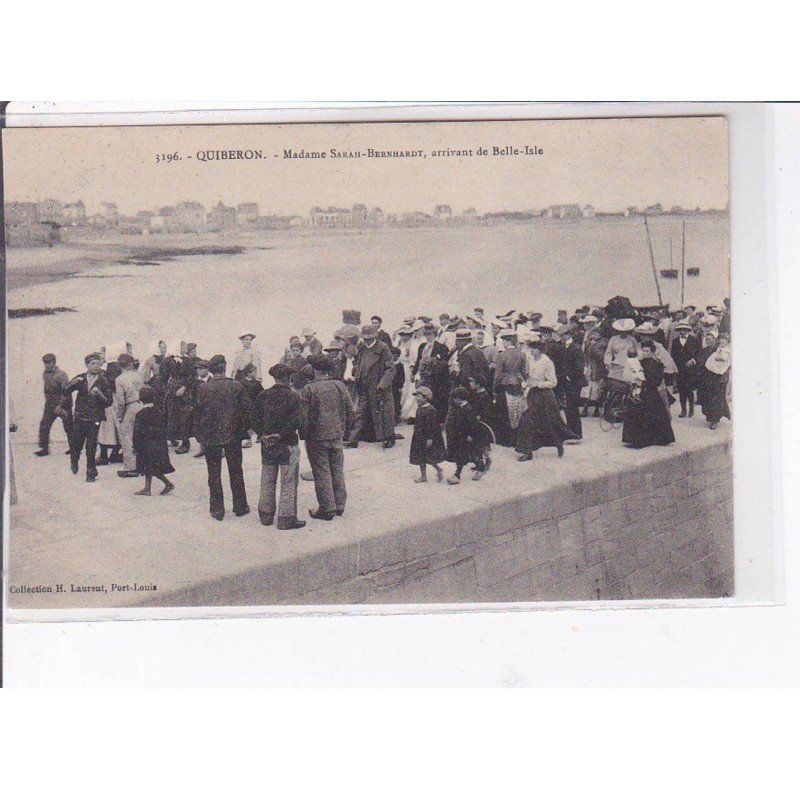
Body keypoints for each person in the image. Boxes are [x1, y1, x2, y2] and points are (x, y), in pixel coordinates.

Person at [194, 354, 252, 521]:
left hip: (211, 437)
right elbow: (246, 411)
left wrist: (200, 435)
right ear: (225, 367)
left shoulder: (203, 388)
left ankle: (217, 509)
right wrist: (244, 431)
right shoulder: (237, 386)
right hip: (233, 435)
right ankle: (240, 506)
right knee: (236, 471)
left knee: (213, 474)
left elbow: (197, 413)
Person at [299, 355, 355, 521]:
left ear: (315, 369)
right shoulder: (340, 385)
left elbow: (304, 417)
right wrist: (344, 431)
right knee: (337, 469)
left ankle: (327, 508)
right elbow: (351, 411)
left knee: (322, 471)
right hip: (336, 435)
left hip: (317, 437)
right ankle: (339, 505)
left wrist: (304, 435)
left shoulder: (308, 389)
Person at [255, 363, 305, 530]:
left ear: (274, 377)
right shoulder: (294, 397)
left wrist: (263, 434)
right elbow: (297, 421)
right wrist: (281, 435)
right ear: (288, 378)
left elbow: (254, 418)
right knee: (288, 481)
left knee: (267, 480)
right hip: (287, 444)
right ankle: (286, 519)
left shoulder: (263, 395)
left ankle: (265, 516)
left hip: (267, 445)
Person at [515, 335, 575, 461]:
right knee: (527, 421)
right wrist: (525, 385)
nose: (532, 351)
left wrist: (539, 384)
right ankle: (527, 452)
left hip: (545, 396)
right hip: (533, 395)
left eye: (535, 349)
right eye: (531, 348)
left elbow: (553, 382)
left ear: (541, 350)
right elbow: (530, 378)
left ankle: (559, 444)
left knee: (550, 423)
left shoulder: (547, 362)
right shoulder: (530, 360)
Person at [61, 353, 114, 482]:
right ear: (87, 365)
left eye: (97, 363)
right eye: (92, 364)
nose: (96, 366)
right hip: (79, 417)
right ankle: (74, 461)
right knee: (76, 446)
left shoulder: (103, 381)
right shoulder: (80, 378)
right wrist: (71, 383)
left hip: (94, 419)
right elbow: (65, 391)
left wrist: (100, 394)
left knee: (91, 447)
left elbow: (109, 402)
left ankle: (90, 472)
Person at [344, 324, 396, 449]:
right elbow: (359, 362)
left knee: (383, 413)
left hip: (378, 386)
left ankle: (388, 438)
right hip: (363, 386)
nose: (367, 339)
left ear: (375, 336)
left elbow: (390, 369)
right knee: (359, 413)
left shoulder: (383, 348)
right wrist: (356, 371)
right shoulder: (362, 348)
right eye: (365, 337)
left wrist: (382, 384)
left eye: (369, 337)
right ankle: (353, 440)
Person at [622, 341, 676, 448]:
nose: (644, 352)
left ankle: (649, 439)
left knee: (652, 414)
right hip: (639, 390)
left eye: (647, 351)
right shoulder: (638, 362)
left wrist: (643, 383)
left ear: (652, 352)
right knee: (635, 412)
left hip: (651, 392)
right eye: (643, 350)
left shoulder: (657, 364)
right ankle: (634, 439)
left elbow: (657, 381)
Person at [132, 385, 175, 496]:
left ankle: (151, 487)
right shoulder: (158, 411)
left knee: (148, 467)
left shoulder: (140, 414)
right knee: (155, 467)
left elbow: (137, 433)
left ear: (140, 399)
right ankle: (151, 487)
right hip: (159, 444)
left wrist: (135, 446)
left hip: (145, 445)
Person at [492, 329, 528, 447]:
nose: (502, 343)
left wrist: (494, 387)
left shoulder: (502, 355)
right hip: (517, 385)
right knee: (517, 410)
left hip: (505, 385)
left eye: (504, 341)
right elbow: (525, 372)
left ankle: (506, 440)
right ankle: (517, 438)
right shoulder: (522, 354)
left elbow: (497, 375)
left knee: (504, 413)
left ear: (508, 341)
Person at [444, 387, 486, 484]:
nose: (453, 400)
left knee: (462, 456)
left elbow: (472, 425)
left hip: (465, 437)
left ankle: (457, 475)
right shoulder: (461, 407)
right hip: (460, 436)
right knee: (469, 455)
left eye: (454, 398)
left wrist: (470, 435)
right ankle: (481, 468)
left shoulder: (467, 409)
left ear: (460, 398)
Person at [413, 321, 451, 423]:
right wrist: (414, 372)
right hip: (423, 376)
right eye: (426, 334)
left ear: (435, 335)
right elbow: (418, 360)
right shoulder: (422, 346)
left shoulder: (441, 347)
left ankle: (436, 420)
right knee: (422, 396)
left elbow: (443, 364)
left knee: (435, 397)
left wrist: (433, 372)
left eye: (430, 334)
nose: (428, 337)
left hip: (435, 377)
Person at [36, 353, 72, 457]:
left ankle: (74, 448)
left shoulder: (61, 375)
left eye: (49, 363)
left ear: (54, 362)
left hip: (63, 404)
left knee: (69, 427)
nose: (47, 365)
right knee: (44, 425)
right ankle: (44, 449)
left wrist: (60, 406)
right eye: (45, 363)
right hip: (50, 405)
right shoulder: (45, 374)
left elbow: (66, 391)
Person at [115, 353, 145, 477]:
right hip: (141, 405)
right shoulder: (138, 375)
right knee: (141, 437)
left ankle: (131, 468)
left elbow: (121, 401)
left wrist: (120, 415)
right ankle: (143, 466)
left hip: (130, 407)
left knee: (127, 437)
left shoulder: (119, 379)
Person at [409, 386, 445, 483]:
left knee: (430, 457)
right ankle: (423, 476)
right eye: (416, 396)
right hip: (419, 437)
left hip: (427, 438)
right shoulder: (419, 408)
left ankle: (438, 469)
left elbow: (432, 426)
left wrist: (430, 438)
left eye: (419, 396)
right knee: (421, 457)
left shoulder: (430, 409)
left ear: (426, 398)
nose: (417, 398)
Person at [97, 343, 125, 465]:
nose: (101, 355)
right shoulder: (114, 366)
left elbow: (108, 384)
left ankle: (104, 456)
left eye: (103, 353)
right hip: (113, 400)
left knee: (107, 428)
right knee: (114, 428)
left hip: (110, 402)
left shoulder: (110, 367)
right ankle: (113, 454)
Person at [697, 335, 732, 429]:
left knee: (716, 399)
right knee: (707, 398)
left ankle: (715, 420)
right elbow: (701, 363)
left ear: (714, 340)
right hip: (706, 378)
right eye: (706, 339)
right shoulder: (704, 350)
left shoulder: (721, 350)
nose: (708, 341)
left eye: (710, 339)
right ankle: (710, 418)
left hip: (718, 378)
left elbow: (726, 363)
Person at [670, 321, 701, 417]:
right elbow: (673, 355)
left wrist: (692, 360)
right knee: (681, 390)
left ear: (687, 330)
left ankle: (691, 409)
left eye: (684, 330)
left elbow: (699, 353)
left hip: (690, 370)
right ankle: (683, 410)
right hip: (679, 369)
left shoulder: (694, 340)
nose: (682, 331)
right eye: (680, 330)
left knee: (689, 390)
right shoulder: (675, 341)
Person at [563, 328, 587, 440]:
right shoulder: (569, 347)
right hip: (571, 382)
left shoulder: (575, 348)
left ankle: (575, 433)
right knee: (569, 407)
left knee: (572, 407)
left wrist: (569, 376)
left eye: (563, 335)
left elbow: (579, 368)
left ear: (568, 335)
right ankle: (572, 431)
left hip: (574, 382)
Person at [237, 361, 264, 448]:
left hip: (255, 405)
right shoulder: (241, 383)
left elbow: (262, 393)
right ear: (248, 372)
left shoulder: (256, 383)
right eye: (254, 372)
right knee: (246, 423)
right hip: (245, 406)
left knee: (257, 421)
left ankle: (260, 435)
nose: (256, 373)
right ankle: (248, 440)